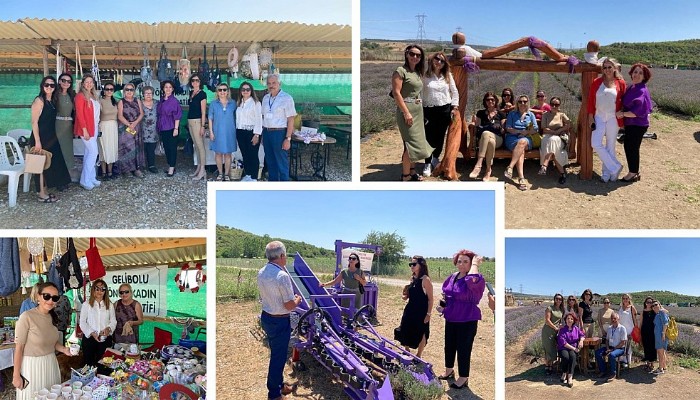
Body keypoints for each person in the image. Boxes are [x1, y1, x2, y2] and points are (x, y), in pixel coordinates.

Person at [257, 241, 302, 400]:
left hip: (267, 318)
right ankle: (274, 394)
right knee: (278, 357)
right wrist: (298, 300)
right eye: (286, 255)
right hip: (280, 320)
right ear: (281, 256)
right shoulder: (282, 275)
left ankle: (281, 385)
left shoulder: (261, 271)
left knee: (277, 353)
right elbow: (289, 305)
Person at [13, 282, 73, 399]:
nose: (50, 300)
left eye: (55, 298)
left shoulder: (52, 317)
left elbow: (53, 342)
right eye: (47, 296)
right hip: (32, 366)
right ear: (38, 297)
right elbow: (19, 348)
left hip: (50, 363)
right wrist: (16, 376)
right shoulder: (26, 317)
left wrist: (64, 349)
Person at [437, 250, 485, 389]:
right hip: (451, 317)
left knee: (463, 349)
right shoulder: (453, 277)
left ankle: (463, 377)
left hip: (467, 319)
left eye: (466, 261)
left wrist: (475, 263)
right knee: (449, 346)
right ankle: (449, 370)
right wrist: (442, 305)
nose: (461, 264)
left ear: (471, 264)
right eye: (459, 261)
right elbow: (446, 294)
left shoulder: (476, 278)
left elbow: (472, 278)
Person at [392, 44, 433, 181]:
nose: (415, 57)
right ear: (406, 54)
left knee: (417, 144)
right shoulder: (400, 71)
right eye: (412, 54)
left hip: (418, 111)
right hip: (407, 111)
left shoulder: (416, 72)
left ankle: (412, 171)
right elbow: (396, 93)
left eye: (418, 55)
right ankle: (405, 176)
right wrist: (406, 113)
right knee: (410, 145)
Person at [29, 76, 71, 202]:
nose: (49, 87)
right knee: (40, 166)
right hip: (40, 138)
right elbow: (34, 122)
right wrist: (37, 141)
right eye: (46, 85)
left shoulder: (52, 101)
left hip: (51, 137)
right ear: (42, 86)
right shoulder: (39, 101)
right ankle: (41, 194)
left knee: (49, 164)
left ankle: (45, 190)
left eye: (52, 85)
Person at [587, 57, 626, 182]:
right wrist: (590, 117)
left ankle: (607, 174)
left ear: (614, 68)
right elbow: (590, 101)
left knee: (610, 145)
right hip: (599, 116)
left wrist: (623, 112)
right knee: (596, 143)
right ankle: (615, 167)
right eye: (605, 67)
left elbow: (625, 100)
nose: (607, 69)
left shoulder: (621, 83)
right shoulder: (596, 82)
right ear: (602, 69)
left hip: (613, 117)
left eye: (610, 67)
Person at [421, 51, 459, 177]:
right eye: (437, 59)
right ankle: (427, 162)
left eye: (442, 61)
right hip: (429, 109)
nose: (439, 62)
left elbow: (454, 91)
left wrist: (455, 106)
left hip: (444, 109)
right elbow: (418, 91)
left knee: (440, 135)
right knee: (428, 136)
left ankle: (435, 158)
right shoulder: (424, 76)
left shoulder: (447, 75)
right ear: (432, 60)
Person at [618, 63, 653, 183]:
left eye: (640, 73)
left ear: (644, 77)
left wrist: (622, 114)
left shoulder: (641, 90)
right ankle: (634, 172)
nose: (637, 75)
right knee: (629, 146)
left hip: (638, 124)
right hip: (631, 123)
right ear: (631, 73)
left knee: (632, 147)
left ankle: (633, 173)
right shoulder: (632, 87)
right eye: (635, 72)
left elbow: (637, 112)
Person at [261, 74, 296, 181]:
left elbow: (291, 119)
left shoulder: (287, 98)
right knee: (270, 162)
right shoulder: (265, 98)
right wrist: (263, 135)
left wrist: (288, 138)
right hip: (267, 133)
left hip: (279, 133)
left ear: (279, 84)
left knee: (281, 162)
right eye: (269, 83)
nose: (271, 85)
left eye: (274, 83)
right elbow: (263, 117)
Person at [397, 256, 433, 358]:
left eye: (414, 264)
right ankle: (406, 350)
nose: (411, 266)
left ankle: (419, 355)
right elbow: (409, 295)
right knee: (405, 328)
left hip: (421, 311)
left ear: (421, 265)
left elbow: (431, 299)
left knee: (422, 332)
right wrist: (405, 296)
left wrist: (428, 314)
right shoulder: (412, 278)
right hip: (410, 309)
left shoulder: (426, 280)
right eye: (410, 264)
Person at [73, 73, 102, 190]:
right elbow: (80, 114)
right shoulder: (80, 96)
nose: (89, 84)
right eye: (87, 82)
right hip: (86, 129)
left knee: (88, 153)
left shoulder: (93, 95)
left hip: (93, 127)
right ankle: (84, 180)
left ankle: (91, 177)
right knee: (93, 152)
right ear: (83, 84)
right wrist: (84, 130)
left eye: (91, 82)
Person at [79, 279, 117, 366]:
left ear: (105, 291)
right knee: (89, 364)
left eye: (103, 289)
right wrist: (91, 332)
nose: (100, 291)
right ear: (93, 289)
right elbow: (82, 322)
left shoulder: (109, 305)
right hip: (89, 339)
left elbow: (113, 321)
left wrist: (109, 329)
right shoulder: (86, 304)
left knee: (104, 365)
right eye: (97, 288)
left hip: (105, 339)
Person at [504, 95, 538, 190]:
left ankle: (510, 167)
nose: (522, 103)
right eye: (520, 101)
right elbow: (508, 128)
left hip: (527, 139)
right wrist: (519, 132)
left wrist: (526, 132)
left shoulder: (530, 115)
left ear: (528, 103)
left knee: (522, 142)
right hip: (512, 138)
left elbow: (535, 128)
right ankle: (521, 178)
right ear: (517, 103)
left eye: (525, 101)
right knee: (521, 150)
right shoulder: (512, 114)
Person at [469, 92, 505, 181]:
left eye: (492, 99)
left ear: (495, 101)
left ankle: (479, 163)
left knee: (486, 133)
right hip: (484, 140)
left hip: (498, 139)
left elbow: (504, 130)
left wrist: (499, 127)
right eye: (488, 99)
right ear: (485, 101)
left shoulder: (501, 114)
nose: (490, 101)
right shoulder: (480, 113)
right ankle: (488, 170)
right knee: (489, 140)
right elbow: (478, 128)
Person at [208, 83, 237, 181]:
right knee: (218, 153)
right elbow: (210, 118)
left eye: (224, 90)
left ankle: (227, 174)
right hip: (217, 131)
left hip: (230, 132)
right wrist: (211, 132)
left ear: (228, 91)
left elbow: (237, 118)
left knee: (228, 154)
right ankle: (220, 173)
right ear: (217, 92)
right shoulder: (213, 103)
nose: (222, 92)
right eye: (220, 90)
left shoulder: (233, 103)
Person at [236, 81, 263, 181]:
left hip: (251, 132)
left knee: (253, 155)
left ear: (251, 91)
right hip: (240, 131)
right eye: (243, 89)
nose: (245, 91)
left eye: (248, 89)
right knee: (245, 154)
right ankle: (248, 174)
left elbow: (259, 119)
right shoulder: (239, 103)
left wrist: (257, 134)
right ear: (240, 91)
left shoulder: (256, 103)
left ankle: (254, 177)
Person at [117, 82, 145, 178]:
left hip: (136, 126)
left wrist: (135, 123)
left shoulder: (138, 101)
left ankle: (137, 169)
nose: (129, 91)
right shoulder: (121, 102)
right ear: (124, 91)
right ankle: (126, 170)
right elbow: (120, 116)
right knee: (126, 149)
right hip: (125, 128)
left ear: (134, 91)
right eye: (127, 89)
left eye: (131, 89)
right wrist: (129, 124)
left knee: (136, 148)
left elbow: (141, 113)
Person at [539, 97, 570, 184]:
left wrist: (558, 131)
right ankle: (562, 173)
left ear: (559, 105)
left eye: (556, 104)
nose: (554, 106)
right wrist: (554, 132)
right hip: (547, 136)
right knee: (552, 143)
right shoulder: (545, 115)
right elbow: (544, 129)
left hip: (559, 137)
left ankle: (544, 165)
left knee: (553, 140)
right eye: (552, 104)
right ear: (550, 104)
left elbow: (568, 124)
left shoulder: (562, 115)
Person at [157, 80, 183, 177]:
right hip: (163, 127)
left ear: (172, 89)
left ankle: (172, 167)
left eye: (170, 87)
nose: (168, 89)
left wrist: (176, 129)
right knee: (166, 148)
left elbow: (177, 115)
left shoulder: (174, 101)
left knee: (172, 148)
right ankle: (170, 165)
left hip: (172, 127)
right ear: (163, 89)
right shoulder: (161, 99)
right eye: (166, 87)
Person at [595, 312, 627, 380]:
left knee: (612, 355)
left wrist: (613, 349)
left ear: (618, 319)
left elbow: (623, 342)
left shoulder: (622, 328)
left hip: (619, 348)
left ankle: (613, 373)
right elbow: (607, 340)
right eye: (612, 318)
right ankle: (603, 370)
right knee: (598, 352)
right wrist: (607, 348)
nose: (613, 320)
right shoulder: (609, 328)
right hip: (610, 347)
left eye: (615, 318)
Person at [187, 73, 208, 181]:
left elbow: (203, 112)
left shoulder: (202, 94)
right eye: (193, 80)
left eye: (197, 80)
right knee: (196, 145)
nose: (195, 82)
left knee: (200, 146)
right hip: (190, 121)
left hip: (197, 122)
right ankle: (199, 167)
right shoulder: (191, 93)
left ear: (200, 82)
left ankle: (203, 170)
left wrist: (203, 126)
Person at [557, 312, 585, 387]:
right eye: (568, 318)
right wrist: (574, 348)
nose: (569, 320)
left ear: (574, 320)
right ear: (565, 320)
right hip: (564, 348)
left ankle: (570, 376)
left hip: (573, 348)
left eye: (571, 319)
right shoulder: (562, 329)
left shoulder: (576, 328)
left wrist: (581, 340)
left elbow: (582, 335)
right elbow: (563, 342)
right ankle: (564, 372)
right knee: (566, 357)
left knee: (572, 356)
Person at [55, 72, 75, 173]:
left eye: (69, 81)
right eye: (64, 80)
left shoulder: (72, 95)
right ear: (59, 81)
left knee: (68, 150)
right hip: (58, 126)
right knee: (59, 150)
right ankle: (58, 175)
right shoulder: (55, 95)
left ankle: (67, 175)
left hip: (68, 127)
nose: (66, 83)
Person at [98, 83, 119, 179]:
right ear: (104, 90)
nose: (109, 91)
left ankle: (110, 171)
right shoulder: (100, 101)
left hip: (114, 127)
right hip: (104, 126)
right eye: (107, 89)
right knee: (103, 148)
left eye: (111, 89)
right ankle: (103, 172)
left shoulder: (116, 102)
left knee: (112, 148)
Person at [541, 293, 564, 374]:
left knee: (553, 348)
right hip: (548, 331)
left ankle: (551, 364)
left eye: (560, 299)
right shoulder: (550, 308)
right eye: (557, 299)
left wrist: (560, 327)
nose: (558, 300)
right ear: (554, 299)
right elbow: (547, 320)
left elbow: (560, 321)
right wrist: (555, 328)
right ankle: (547, 366)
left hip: (556, 331)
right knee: (548, 348)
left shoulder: (561, 310)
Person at [140, 86, 160, 173]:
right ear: (143, 94)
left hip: (154, 130)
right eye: (146, 93)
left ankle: (151, 165)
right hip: (142, 130)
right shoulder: (139, 103)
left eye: (150, 93)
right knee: (142, 149)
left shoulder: (157, 103)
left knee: (151, 149)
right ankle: (142, 166)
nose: (148, 95)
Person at [618, 293, 638, 364]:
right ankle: (620, 360)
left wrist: (635, 330)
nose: (625, 300)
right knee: (621, 345)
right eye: (624, 298)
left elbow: (635, 320)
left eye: (627, 298)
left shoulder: (632, 308)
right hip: (621, 330)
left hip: (629, 330)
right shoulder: (620, 307)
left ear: (629, 299)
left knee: (628, 346)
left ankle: (627, 361)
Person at [652, 301, 670, 375]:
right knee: (662, 351)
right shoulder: (658, 313)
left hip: (661, 336)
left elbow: (665, 323)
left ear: (659, 305)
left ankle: (660, 369)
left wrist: (663, 334)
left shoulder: (662, 312)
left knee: (660, 352)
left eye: (656, 304)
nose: (654, 306)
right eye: (653, 305)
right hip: (659, 335)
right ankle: (663, 366)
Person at [640, 296, 657, 371]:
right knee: (646, 347)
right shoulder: (643, 311)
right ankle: (647, 363)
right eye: (647, 302)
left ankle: (652, 364)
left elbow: (664, 311)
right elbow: (641, 322)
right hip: (644, 331)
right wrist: (640, 331)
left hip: (652, 331)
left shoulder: (654, 311)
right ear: (645, 303)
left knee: (652, 347)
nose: (649, 304)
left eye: (650, 302)